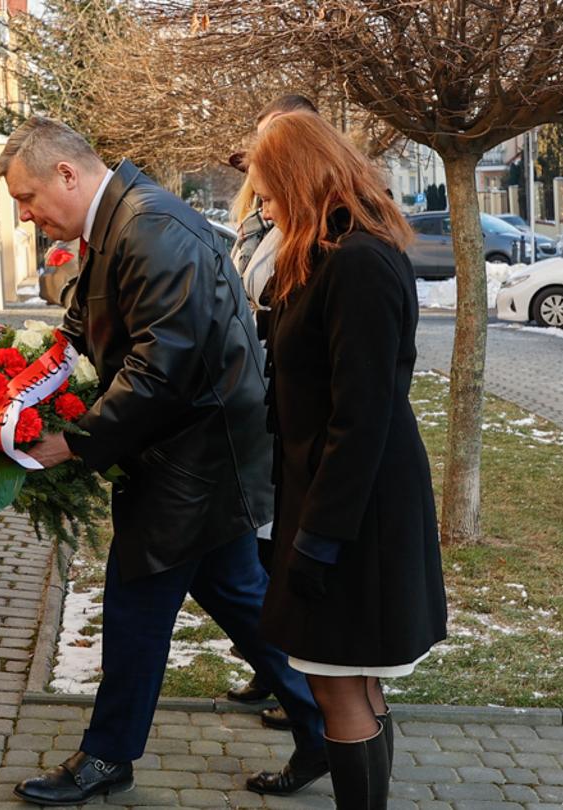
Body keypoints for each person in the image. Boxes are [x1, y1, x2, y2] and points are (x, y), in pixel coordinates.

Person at [0, 117, 329, 805]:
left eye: (27, 198)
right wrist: (32, 374)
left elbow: (161, 366)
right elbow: (93, 318)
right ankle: (326, 726)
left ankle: (108, 756)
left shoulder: (148, 224)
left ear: (67, 174)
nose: (25, 214)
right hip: (192, 446)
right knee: (237, 595)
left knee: (136, 598)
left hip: (195, 453)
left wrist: (76, 441)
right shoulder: (118, 218)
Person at [249, 111, 449, 809]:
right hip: (340, 496)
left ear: (300, 180)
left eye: (268, 191)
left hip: (357, 507)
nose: (262, 206)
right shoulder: (332, 249)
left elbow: (360, 414)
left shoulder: (359, 259)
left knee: (339, 682)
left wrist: (320, 540)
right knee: (355, 679)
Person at [221, 92, 318, 728]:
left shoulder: (313, 230)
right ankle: (275, 666)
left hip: (286, 398)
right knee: (263, 542)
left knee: (287, 544)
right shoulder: (258, 216)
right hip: (258, 393)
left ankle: (305, 681)